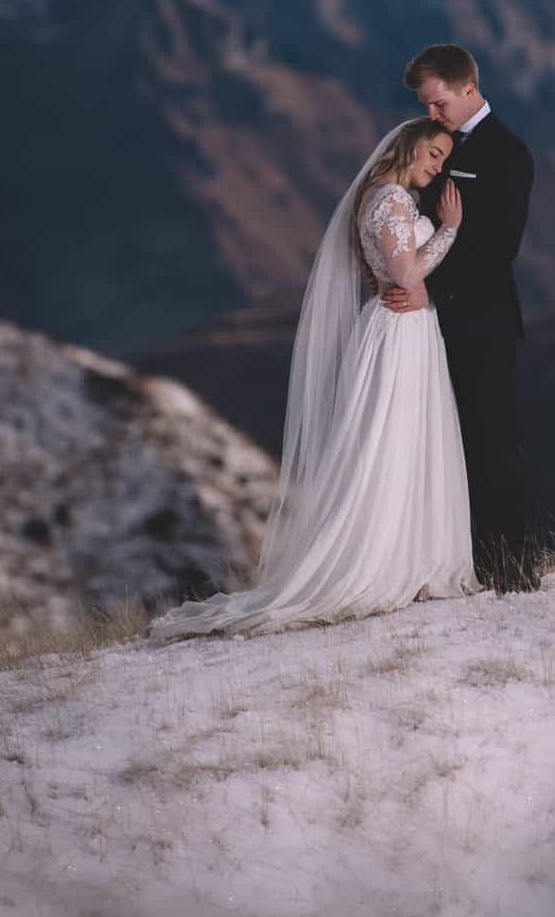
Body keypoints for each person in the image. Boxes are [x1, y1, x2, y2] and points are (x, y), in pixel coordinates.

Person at [148, 118, 480, 641]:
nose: (437, 166)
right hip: (397, 332)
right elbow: (408, 275)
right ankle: (385, 563)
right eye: (433, 154)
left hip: (401, 328)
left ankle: (407, 557)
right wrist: (449, 229)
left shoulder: (378, 196)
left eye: (442, 158)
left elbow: (379, 264)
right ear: (410, 146)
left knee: (401, 442)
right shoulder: (392, 199)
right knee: (388, 443)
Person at [383, 45, 537, 593]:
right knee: (435, 446)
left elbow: (498, 248)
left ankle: (511, 571)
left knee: (490, 444)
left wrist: (429, 291)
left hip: (481, 322)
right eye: (426, 106)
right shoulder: (434, 142)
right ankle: (452, 567)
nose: (431, 115)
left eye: (438, 103)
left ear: (467, 88)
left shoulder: (508, 153)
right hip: (422, 327)